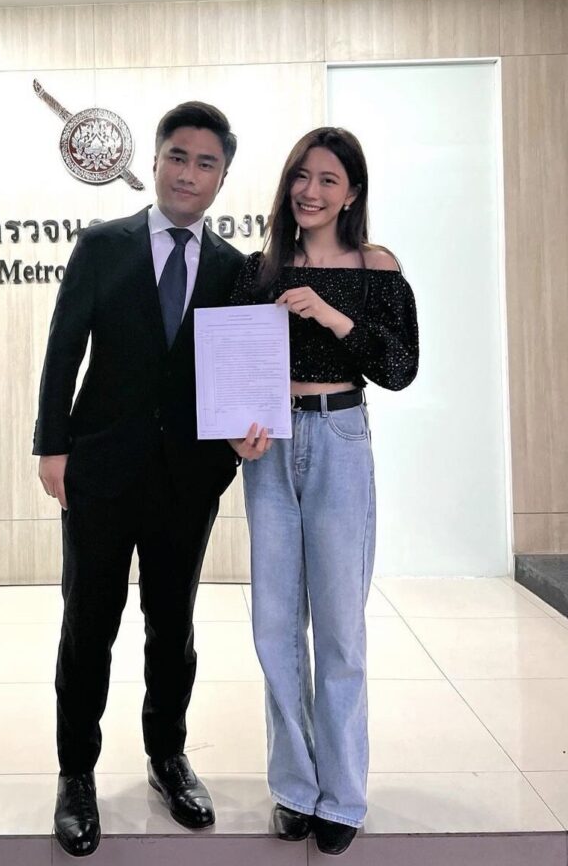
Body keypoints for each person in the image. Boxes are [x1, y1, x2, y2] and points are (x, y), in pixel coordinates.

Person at [34, 100, 269, 857]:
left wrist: (244, 437)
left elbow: (237, 372)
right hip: (100, 470)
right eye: (177, 157)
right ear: (157, 160)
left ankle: (168, 756)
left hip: (187, 478)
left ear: (222, 177)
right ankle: (76, 773)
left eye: (206, 163)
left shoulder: (235, 268)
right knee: (89, 625)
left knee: (173, 627)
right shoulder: (103, 244)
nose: (188, 174)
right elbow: (64, 348)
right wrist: (52, 446)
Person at [230, 127, 418, 856]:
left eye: (328, 180)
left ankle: (342, 794)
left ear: (351, 194)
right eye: (301, 176)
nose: (310, 191)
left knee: (340, 627)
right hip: (270, 448)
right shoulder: (259, 270)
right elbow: (232, 370)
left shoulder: (376, 267)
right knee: (275, 625)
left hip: (340, 437)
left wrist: (333, 315)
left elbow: (399, 367)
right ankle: (294, 788)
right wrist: (235, 434)